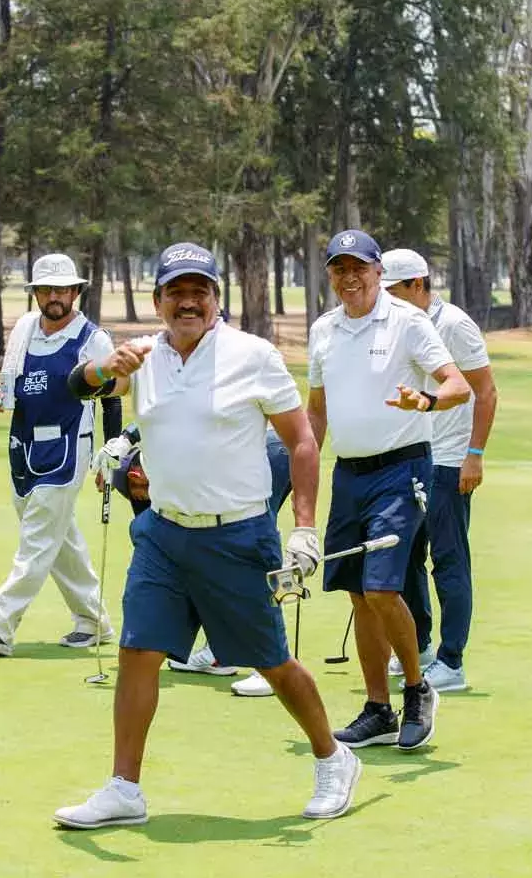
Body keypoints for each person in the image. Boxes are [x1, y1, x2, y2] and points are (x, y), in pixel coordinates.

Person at [54, 242, 360, 829]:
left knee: (271, 661)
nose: (188, 302)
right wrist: (104, 368)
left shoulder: (254, 354)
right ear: (158, 300)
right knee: (137, 651)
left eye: (200, 292)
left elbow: (301, 441)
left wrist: (302, 528)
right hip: (164, 534)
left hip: (237, 536)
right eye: (176, 292)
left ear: (217, 300)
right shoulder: (143, 357)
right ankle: (124, 788)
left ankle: (333, 756)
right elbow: (80, 385)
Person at [306, 230, 470, 751]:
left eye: (359, 267)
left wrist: (424, 401)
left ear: (379, 272)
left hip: (402, 469)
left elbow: (457, 385)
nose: (349, 277)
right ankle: (378, 709)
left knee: (381, 588)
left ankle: (417, 691)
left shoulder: (408, 320)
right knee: (358, 593)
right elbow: (316, 409)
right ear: (330, 274)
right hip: (348, 473)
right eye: (339, 268)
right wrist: (301, 471)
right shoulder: (324, 330)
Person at [0, 254, 122, 657]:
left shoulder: (93, 339)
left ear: (75, 292)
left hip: (70, 446)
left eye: (62, 289)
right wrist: (3, 398)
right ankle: (93, 621)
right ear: (36, 293)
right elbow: (12, 382)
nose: (55, 297)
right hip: (24, 444)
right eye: (46, 290)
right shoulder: (24, 330)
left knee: (37, 540)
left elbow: (112, 399)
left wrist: (112, 449)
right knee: (59, 539)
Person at [96, 425, 293, 695]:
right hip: (250, 450)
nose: (140, 497)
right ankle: (219, 654)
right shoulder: (161, 470)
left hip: (266, 450)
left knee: (252, 544)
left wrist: (124, 438)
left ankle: (268, 667)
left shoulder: (166, 461)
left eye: (136, 491)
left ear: (135, 474)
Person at [381, 249, 498, 693]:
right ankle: (422, 646)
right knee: (406, 558)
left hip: (450, 461)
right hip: (411, 457)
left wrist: (475, 454)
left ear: (417, 284)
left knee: (448, 561)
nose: (387, 300)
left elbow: (485, 393)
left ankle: (452, 662)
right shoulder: (397, 324)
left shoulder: (454, 325)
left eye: (394, 291)